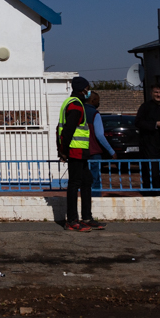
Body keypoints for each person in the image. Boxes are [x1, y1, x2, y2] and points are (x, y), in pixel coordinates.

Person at [58, 76, 103, 231]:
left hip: (80, 151)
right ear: (82, 89)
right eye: (87, 88)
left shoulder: (72, 103)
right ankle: (72, 221)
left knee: (87, 180)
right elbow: (68, 130)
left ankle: (86, 217)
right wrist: (64, 151)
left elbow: (61, 128)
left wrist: (62, 149)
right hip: (75, 150)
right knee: (75, 184)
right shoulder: (76, 106)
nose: (88, 91)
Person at [85, 92, 117, 198]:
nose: (99, 103)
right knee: (95, 180)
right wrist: (111, 151)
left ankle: (84, 203)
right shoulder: (94, 113)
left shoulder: (78, 111)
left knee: (83, 181)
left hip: (80, 151)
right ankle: (95, 203)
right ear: (93, 101)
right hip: (94, 152)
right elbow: (99, 134)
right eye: (98, 100)